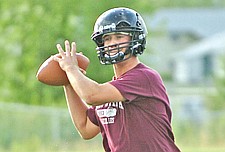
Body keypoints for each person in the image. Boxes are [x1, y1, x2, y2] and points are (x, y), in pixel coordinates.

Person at [53, 7, 180, 152]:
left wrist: (71, 69)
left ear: (135, 38)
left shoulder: (145, 77)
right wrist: (68, 82)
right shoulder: (109, 91)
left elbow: (91, 95)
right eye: (107, 38)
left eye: (119, 36)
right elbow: (85, 128)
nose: (112, 43)